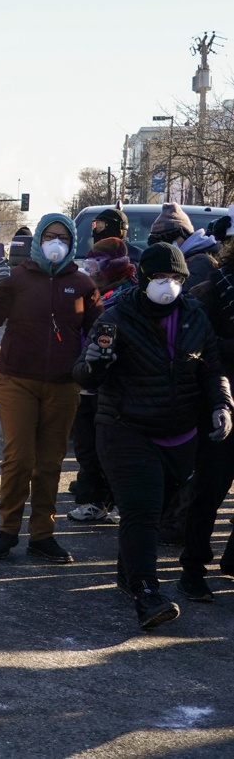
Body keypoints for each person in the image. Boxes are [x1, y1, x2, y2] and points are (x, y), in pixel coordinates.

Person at [74, 242, 231, 628]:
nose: (168, 284)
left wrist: (222, 405)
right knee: (141, 511)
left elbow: (212, 369)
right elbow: (84, 375)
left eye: (175, 277)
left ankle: (128, 573)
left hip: (179, 435)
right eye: (160, 276)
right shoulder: (116, 317)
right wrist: (95, 364)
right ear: (144, 278)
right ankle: (147, 594)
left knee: (157, 513)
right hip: (126, 430)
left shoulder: (195, 316)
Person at [0, 213, 102, 563]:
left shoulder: (82, 284)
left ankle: (42, 535)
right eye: (49, 236)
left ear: (72, 243)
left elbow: (97, 329)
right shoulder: (17, 277)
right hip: (17, 379)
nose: (55, 243)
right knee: (19, 458)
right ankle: (7, 530)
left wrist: (96, 358)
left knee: (49, 462)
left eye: (63, 237)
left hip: (63, 385)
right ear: (38, 241)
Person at [176, 236, 234, 600]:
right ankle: (193, 570)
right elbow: (195, 347)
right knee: (208, 491)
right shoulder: (213, 290)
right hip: (219, 406)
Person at [66, 237, 136, 524]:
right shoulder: (90, 292)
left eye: (96, 266)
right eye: (89, 265)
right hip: (85, 380)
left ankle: (121, 502)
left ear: (113, 267)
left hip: (113, 386)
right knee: (86, 447)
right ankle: (93, 501)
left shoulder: (129, 295)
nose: (91, 272)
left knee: (114, 450)